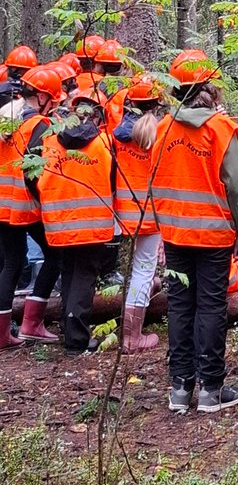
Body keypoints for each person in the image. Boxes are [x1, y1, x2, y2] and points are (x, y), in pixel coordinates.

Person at [150, 50, 238, 414]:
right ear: (210, 87)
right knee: (210, 306)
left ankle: (179, 389)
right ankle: (210, 389)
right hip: (213, 236)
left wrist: (162, 229)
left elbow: (155, 183)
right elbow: (237, 186)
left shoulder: (162, 129)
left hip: (175, 234)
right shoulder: (221, 130)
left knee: (180, 307)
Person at [37, 90, 117, 355]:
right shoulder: (104, 143)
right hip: (93, 224)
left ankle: (69, 328)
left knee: (69, 273)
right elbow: (115, 181)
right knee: (84, 278)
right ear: (98, 114)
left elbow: (32, 176)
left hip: (58, 223)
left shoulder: (50, 140)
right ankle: (77, 339)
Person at [0, 67, 64, 348]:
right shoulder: (38, 124)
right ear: (41, 97)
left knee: (11, 261)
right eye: (54, 100)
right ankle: (31, 323)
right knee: (54, 255)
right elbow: (35, 170)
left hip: (3, 202)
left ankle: (5, 332)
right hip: (22, 203)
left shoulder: (6, 116)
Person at [112, 74, 167, 352]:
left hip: (122, 213)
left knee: (134, 272)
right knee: (143, 272)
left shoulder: (116, 134)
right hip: (149, 213)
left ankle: (127, 329)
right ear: (156, 103)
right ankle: (132, 337)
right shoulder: (158, 134)